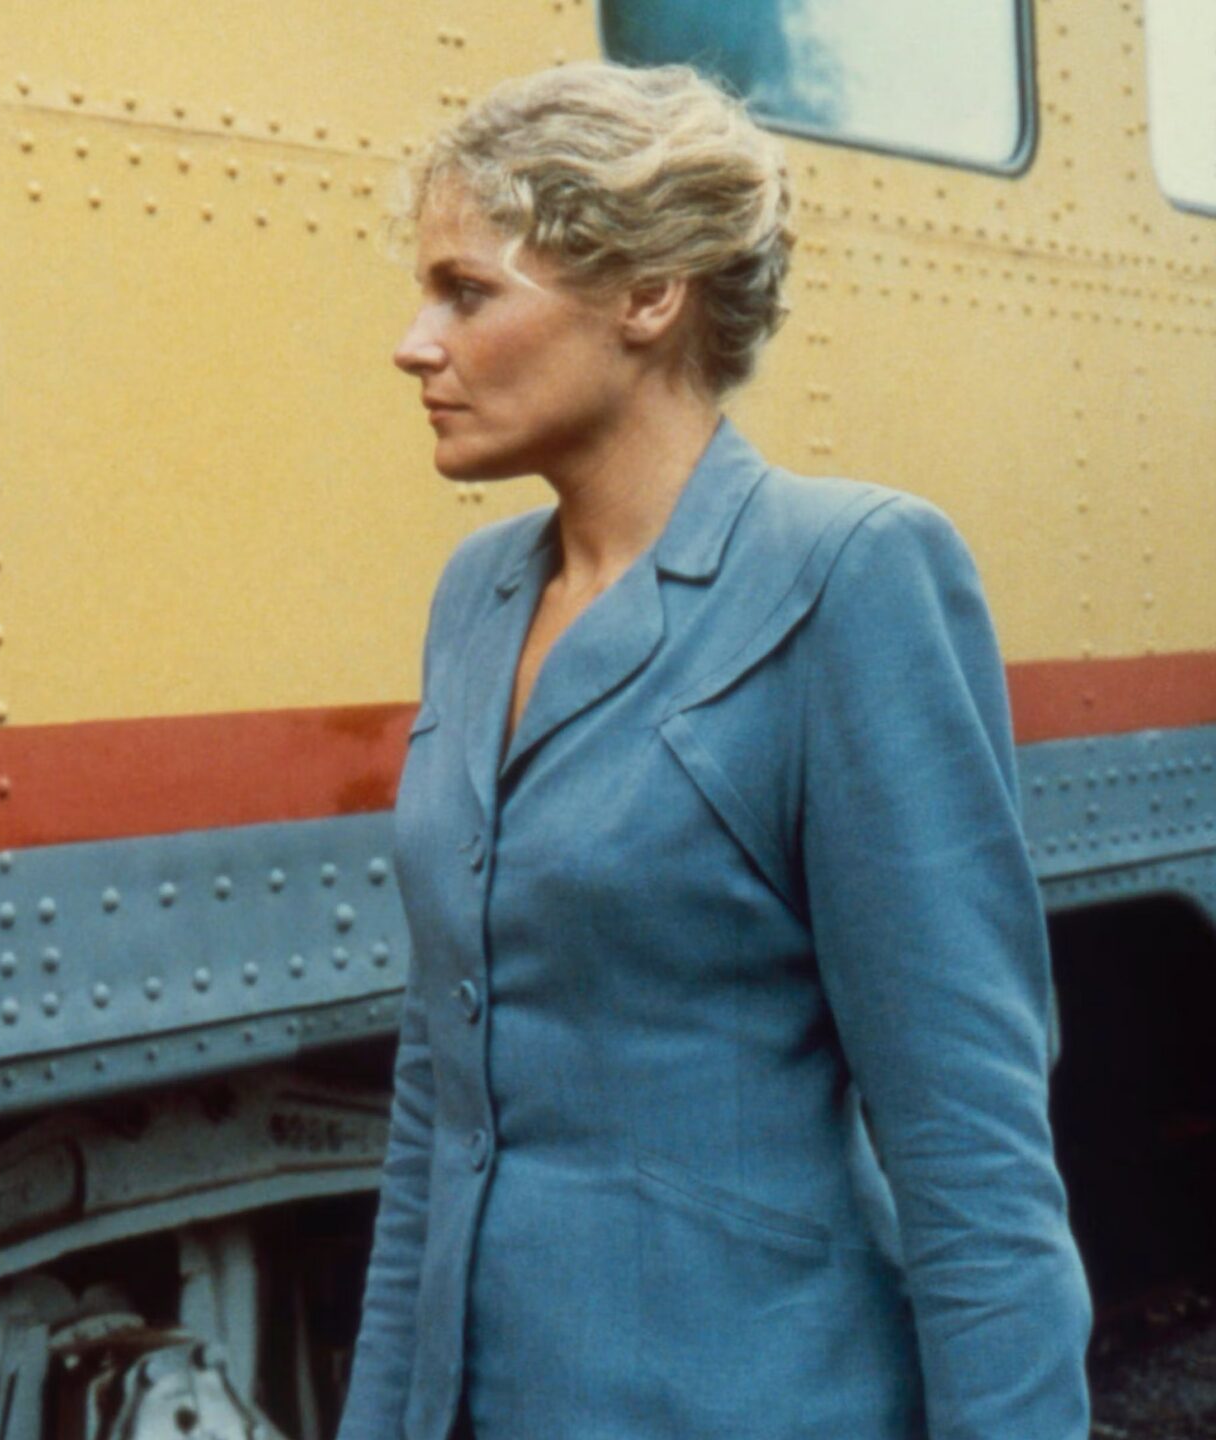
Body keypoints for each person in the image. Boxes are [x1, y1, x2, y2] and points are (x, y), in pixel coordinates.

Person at [338, 64, 1089, 1439]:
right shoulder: (477, 599)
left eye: (467, 292)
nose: (413, 342)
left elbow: (971, 1157)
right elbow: (435, 1109)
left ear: (648, 294)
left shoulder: (849, 577)